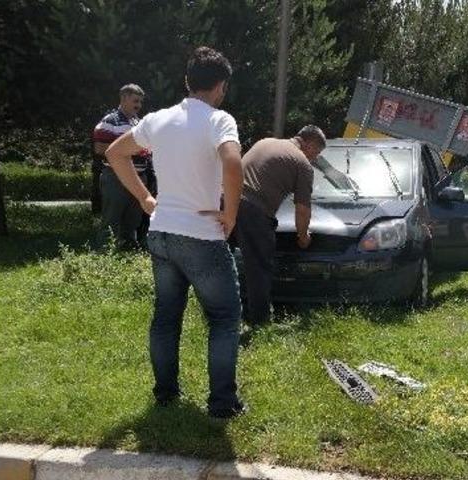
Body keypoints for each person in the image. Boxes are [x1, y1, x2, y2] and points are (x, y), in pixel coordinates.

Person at [104, 47, 246, 418]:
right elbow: (233, 164)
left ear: (187, 81)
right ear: (221, 86)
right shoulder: (219, 120)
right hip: (201, 236)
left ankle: (165, 395)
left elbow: (115, 153)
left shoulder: (157, 119)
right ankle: (223, 404)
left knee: (166, 317)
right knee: (224, 318)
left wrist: (145, 198)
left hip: (162, 232)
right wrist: (230, 215)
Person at [236, 126, 325, 325]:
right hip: (253, 212)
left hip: (225, 202)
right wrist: (303, 237)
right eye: (317, 153)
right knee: (259, 268)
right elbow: (302, 209)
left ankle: (220, 313)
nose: (315, 158)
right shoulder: (302, 164)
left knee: (225, 260)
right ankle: (260, 322)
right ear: (309, 145)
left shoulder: (265, 142)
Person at [92, 84, 153, 248]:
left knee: (133, 218)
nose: (139, 105)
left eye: (140, 102)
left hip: (138, 177)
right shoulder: (110, 121)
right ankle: (104, 251)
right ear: (124, 98)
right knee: (111, 216)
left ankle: (128, 248)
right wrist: (129, 150)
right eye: (135, 101)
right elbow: (99, 148)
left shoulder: (138, 122)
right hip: (116, 177)